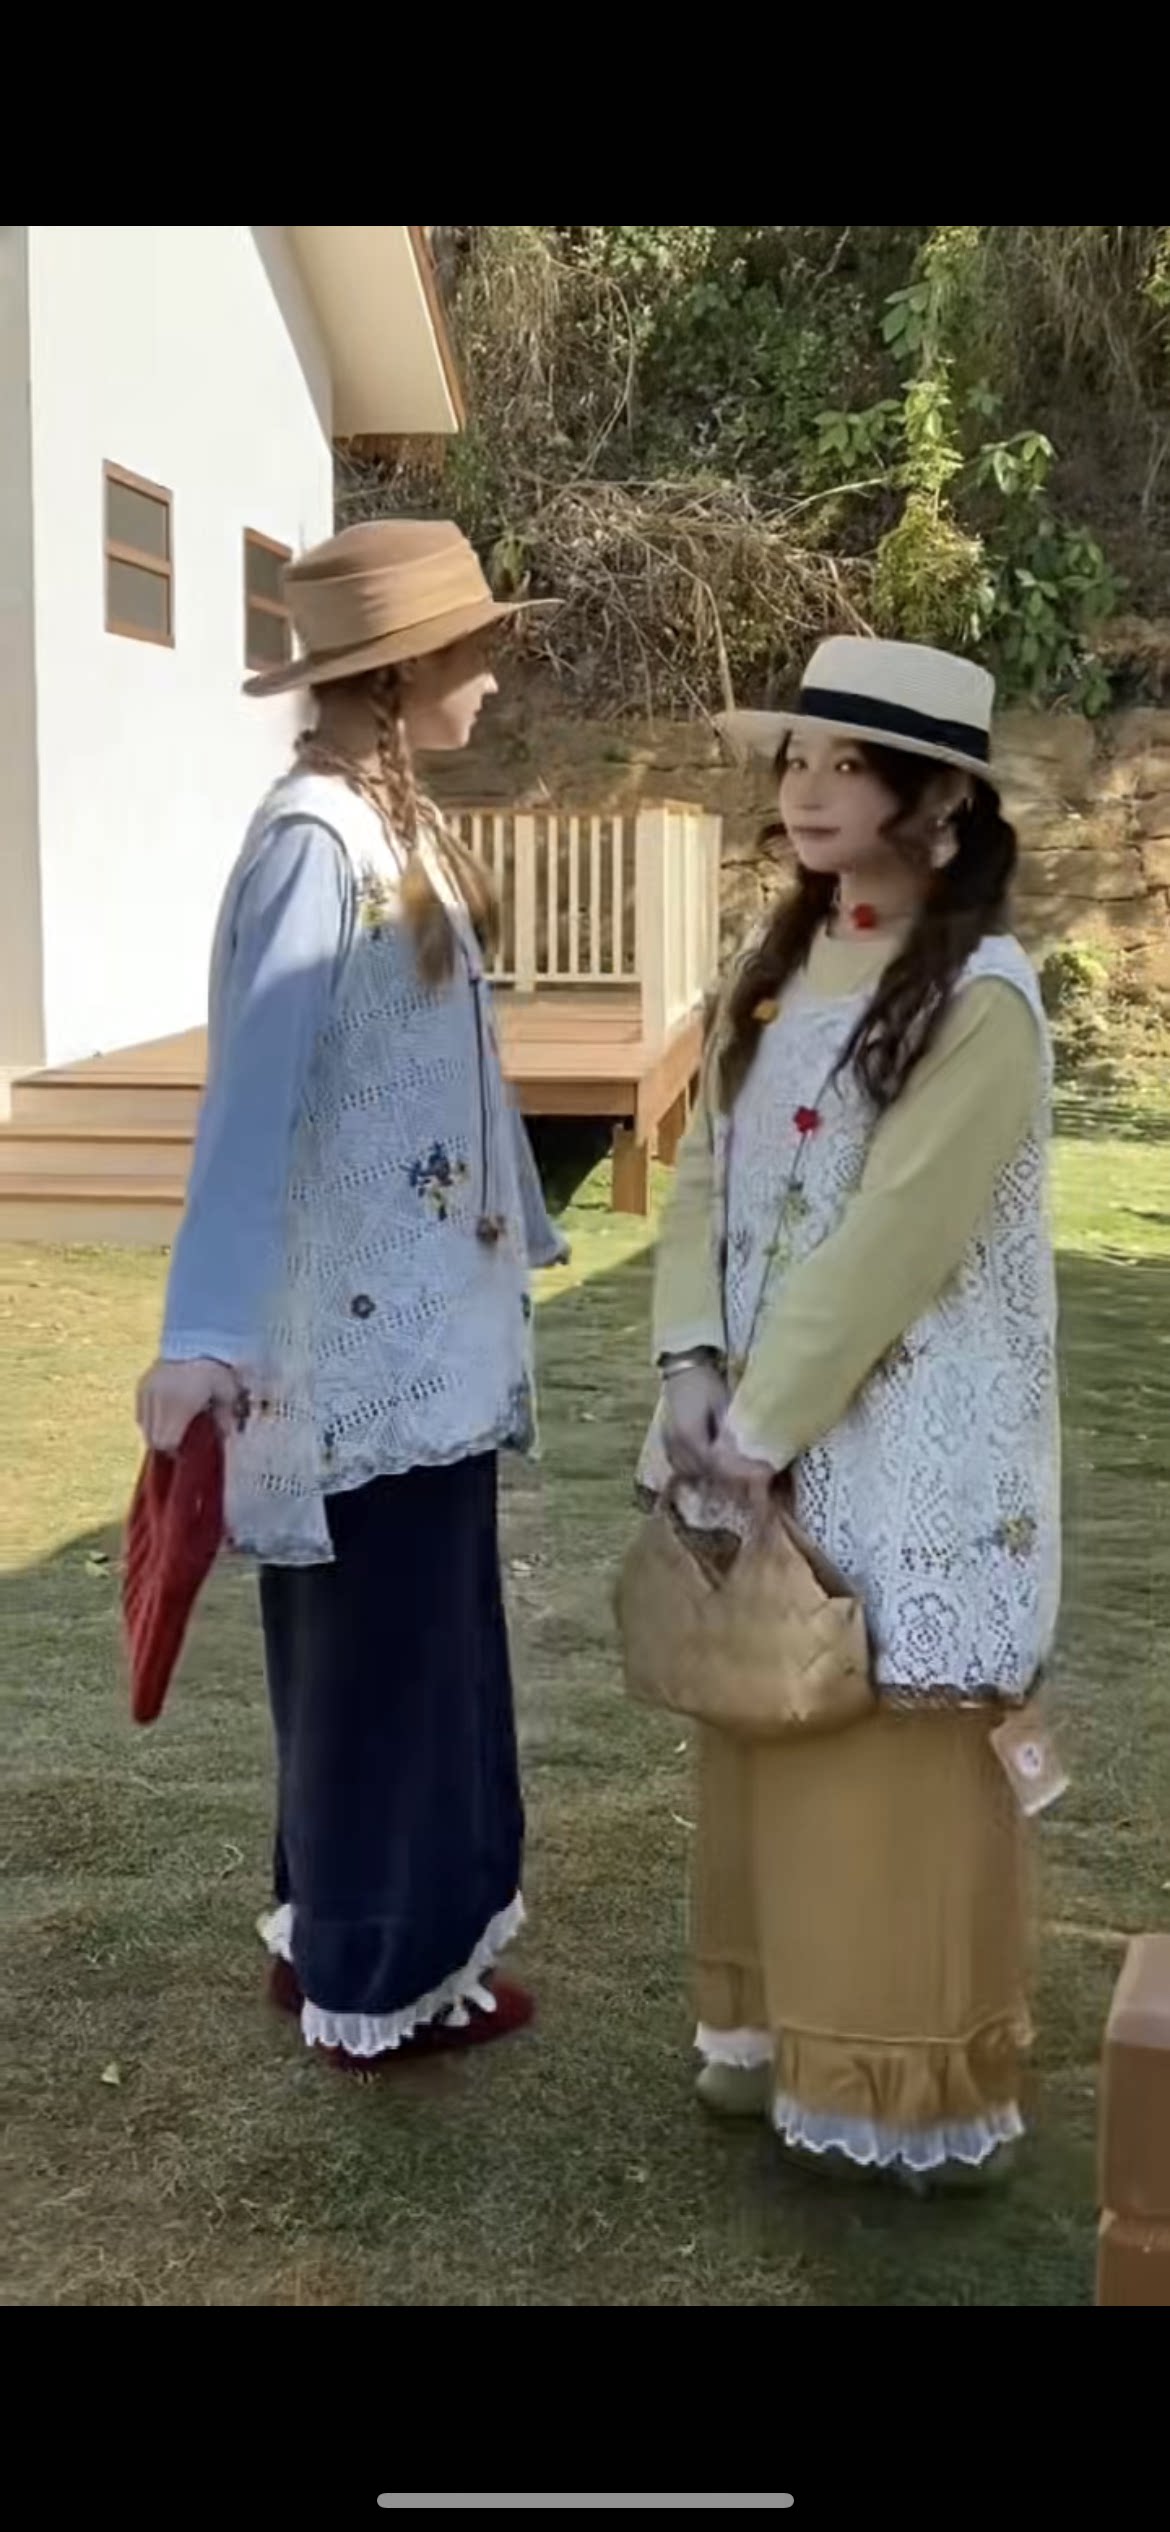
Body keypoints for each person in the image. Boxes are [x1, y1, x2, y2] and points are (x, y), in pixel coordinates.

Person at [136, 519, 564, 2069]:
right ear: (401, 672)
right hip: (354, 1357)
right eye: (473, 652)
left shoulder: (386, 828)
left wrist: (509, 1237)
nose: (492, 679)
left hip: (422, 1337)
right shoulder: (317, 844)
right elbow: (253, 1098)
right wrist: (203, 1337)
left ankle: (350, 1936)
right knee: (379, 1665)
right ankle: (374, 1972)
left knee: (403, 1650)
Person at [643, 636, 1060, 2189]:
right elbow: (702, 1178)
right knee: (769, 1704)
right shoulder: (768, 972)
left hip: (908, 1444)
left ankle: (905, 2094)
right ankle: (763, 2035)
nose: (807, 791)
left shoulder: (982, 998)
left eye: (847, 765)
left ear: (936, 799)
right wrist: (689, 1367)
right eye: (796, 761)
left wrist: (757, 1429)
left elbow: (896, 1240)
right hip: (752, 1432)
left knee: (893, 1740)